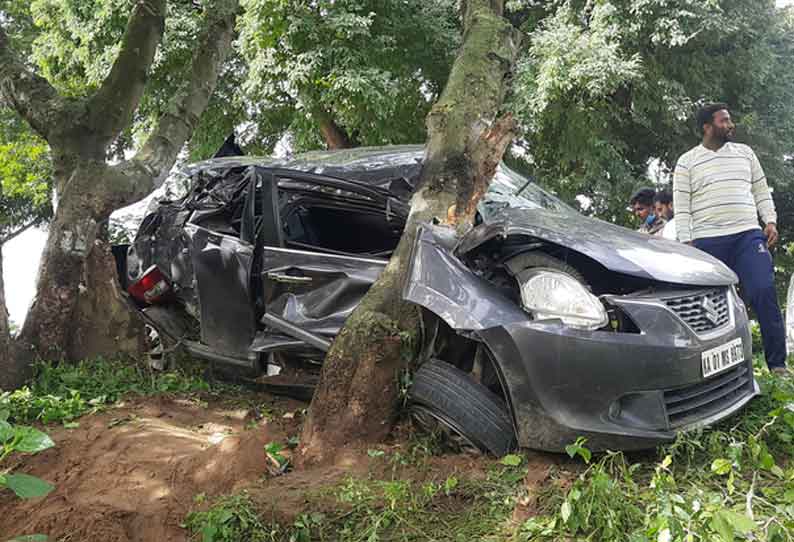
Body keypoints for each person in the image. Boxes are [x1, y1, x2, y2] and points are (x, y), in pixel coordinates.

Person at [674, 103, 787, 374]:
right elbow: (681, 206)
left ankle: (778, 365)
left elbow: (760, 190)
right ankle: (720, 371)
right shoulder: (687, 161)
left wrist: (769, 220)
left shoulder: (745, 154)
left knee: (763, 291)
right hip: (707, 242)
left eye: (729, 120)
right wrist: (687, 243)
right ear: (707, 127)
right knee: (710, 308)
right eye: (724, 121)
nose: (730, 124)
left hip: (747, 236)